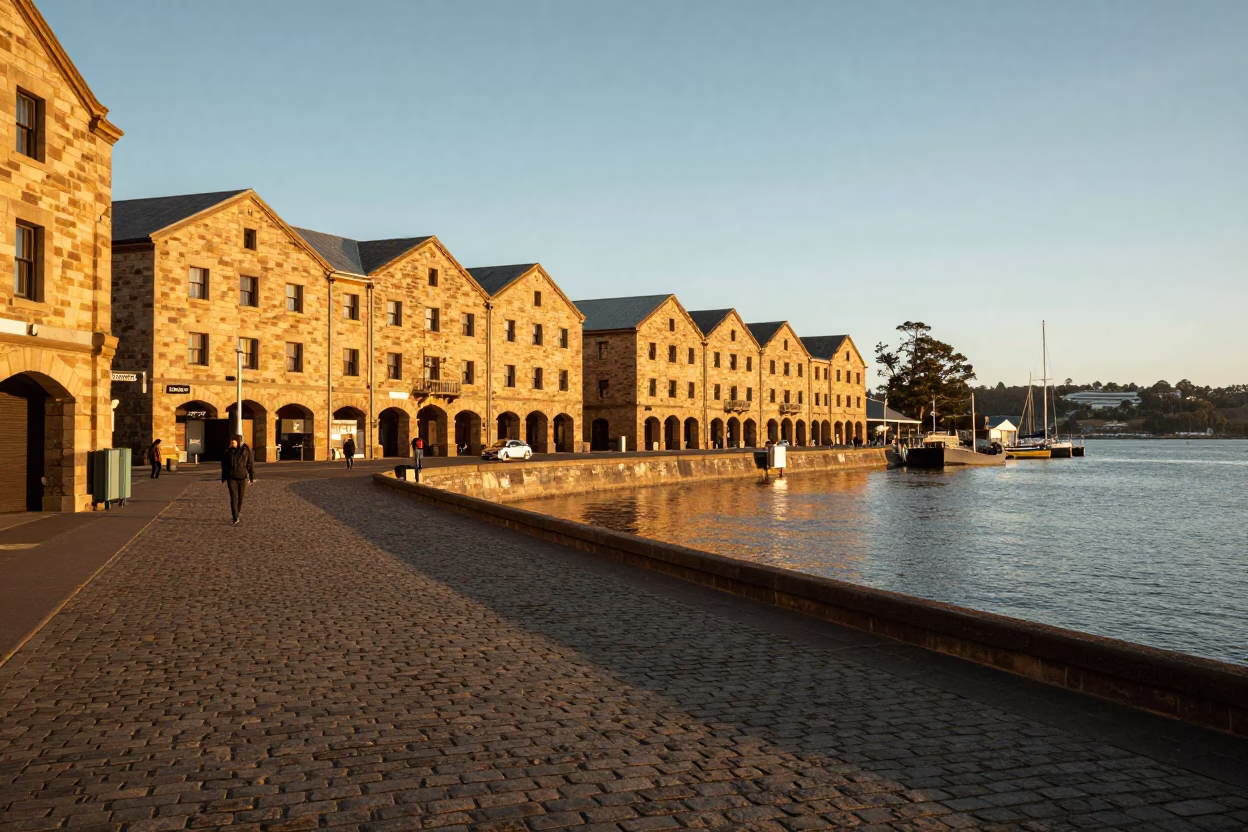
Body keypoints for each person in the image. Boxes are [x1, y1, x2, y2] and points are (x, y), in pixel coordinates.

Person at [221, 434, 255, 525]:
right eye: (232, 442)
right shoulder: (228, 452)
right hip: (232, 478)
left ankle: (237, 512)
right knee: (233, 498)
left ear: (239, 442)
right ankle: (235, 517)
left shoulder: (246, 451)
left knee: (240, 498)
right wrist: (223, 478)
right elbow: (224, 466)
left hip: (243, 478)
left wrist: (251, 478)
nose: (233, 443)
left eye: (235, 441)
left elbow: (250, 464)